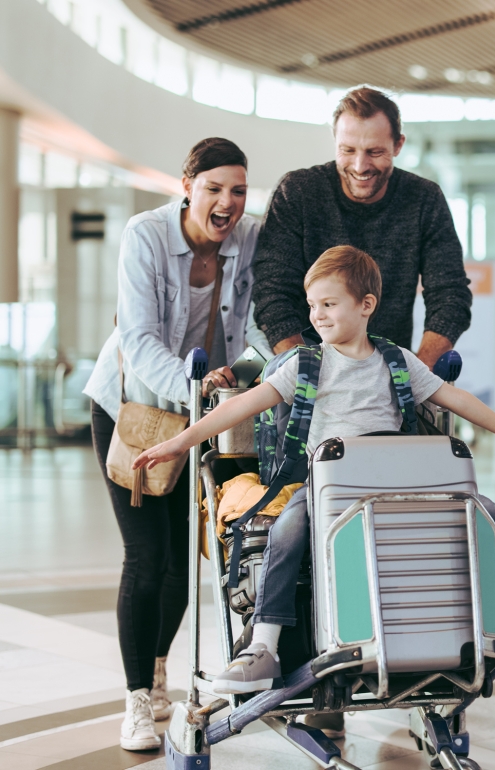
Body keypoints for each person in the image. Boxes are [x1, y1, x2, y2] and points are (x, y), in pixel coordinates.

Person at [133, 247, 495, 736]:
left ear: (366, 305)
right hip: (331, 483)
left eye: (330, 304)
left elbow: (451, 396)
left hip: (396, 480)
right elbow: (245, 403)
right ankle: (263, 644)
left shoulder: (396, 361)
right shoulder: (304, 365)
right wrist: (182, 440)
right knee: (287, 528)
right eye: (313, 305)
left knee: (483, 510)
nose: (317, 314)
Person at [83, 138, 269, 752]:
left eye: (238, 190)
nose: (227, 202)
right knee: (146, 554)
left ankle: (160, 669)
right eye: (214, 188)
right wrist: (194, 384)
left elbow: (257, 321)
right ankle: (137, 699)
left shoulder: (251, 238)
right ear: (187, 184)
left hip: (197, 416)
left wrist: (246, 378)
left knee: (182, 563)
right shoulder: (146, 234)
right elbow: (136, 338)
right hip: (131, 409)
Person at [252, 86, 471, 368]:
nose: (360, 165)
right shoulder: (297, 192)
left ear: (398, 145)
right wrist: (307, 372)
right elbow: (272, 293)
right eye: (348, 150)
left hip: (391, 379)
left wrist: (416, 376)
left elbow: (450, 295)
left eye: (375, 152)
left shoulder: (424, 200)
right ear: (335, 141)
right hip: (304, 378)